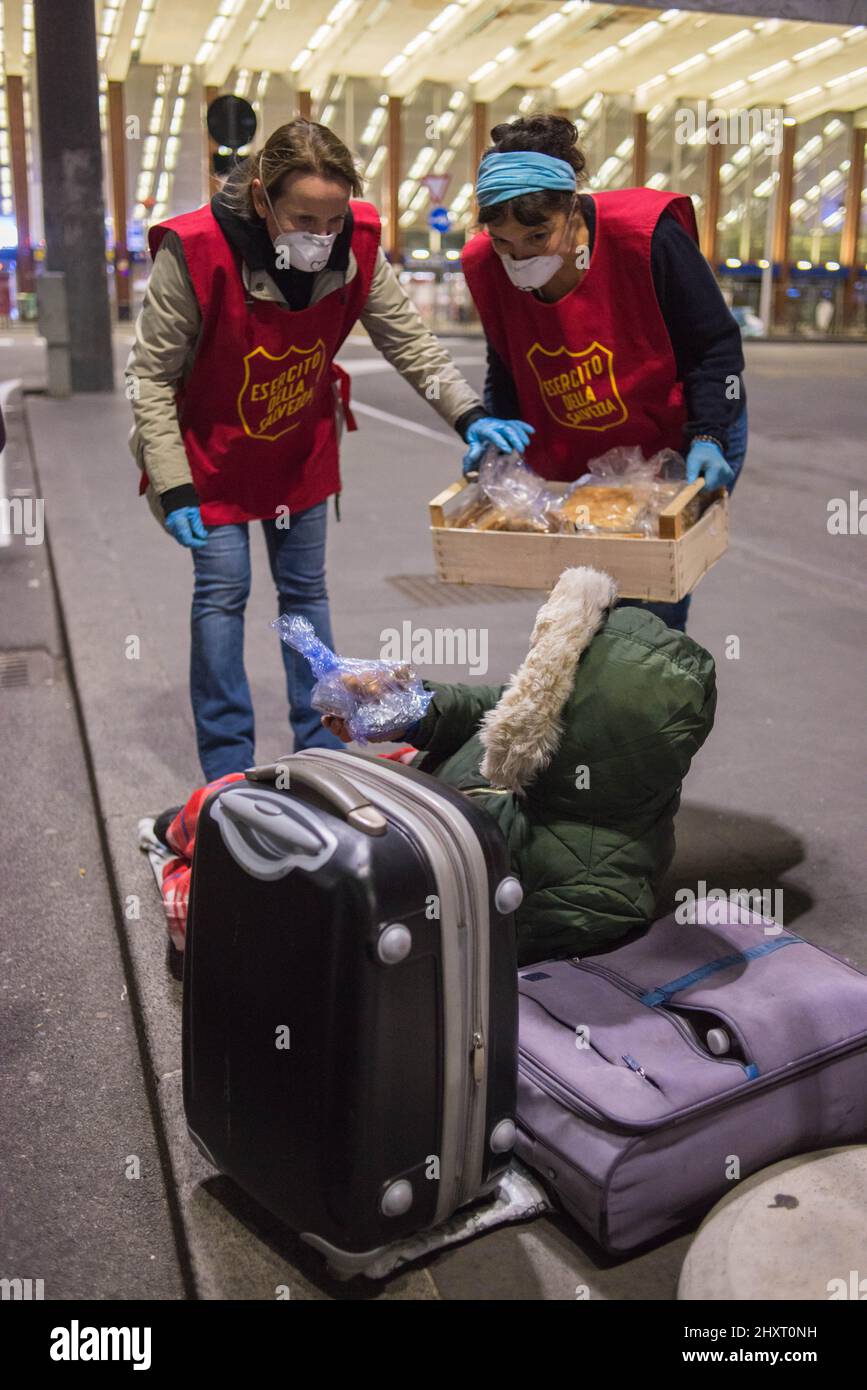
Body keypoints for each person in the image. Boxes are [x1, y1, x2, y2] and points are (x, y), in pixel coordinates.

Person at [127, 118, 532, 780]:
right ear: (261, 199)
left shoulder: (359, 242)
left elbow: (407, 339)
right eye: (303, 218)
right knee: (223, 593)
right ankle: (227, 766)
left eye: (331, 219)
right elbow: (151, 376)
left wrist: (469, 415)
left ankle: (318, 748)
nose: (320, 235)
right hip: (209, 459)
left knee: (304, 594)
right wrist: (173, 486)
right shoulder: (195, 250)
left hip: (296, 446)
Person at [145, 566, 716, 969]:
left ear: (577, 719)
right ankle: (192, 827)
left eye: (548, 688)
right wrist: (409, 708)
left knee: (231, 897)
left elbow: (460, 946)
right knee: (246, 795)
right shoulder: (588, 746)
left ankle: (183, 850)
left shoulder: (597, 890)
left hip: (411, 856)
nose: (527, 690)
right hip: (418, 791)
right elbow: (494, 705)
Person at [460, 113, 749, 631]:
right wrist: (497, 436)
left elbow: (715, 347)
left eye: (537, 235)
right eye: (504, 241)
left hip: (682, 429)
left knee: (647, 606)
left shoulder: (645, 238)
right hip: (577, 443)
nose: (519, 256)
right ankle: (600, 704)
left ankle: (648, 700)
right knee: (581, 604)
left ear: (571, 210)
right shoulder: (486, 265)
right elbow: (507, 358)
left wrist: (709, 433)